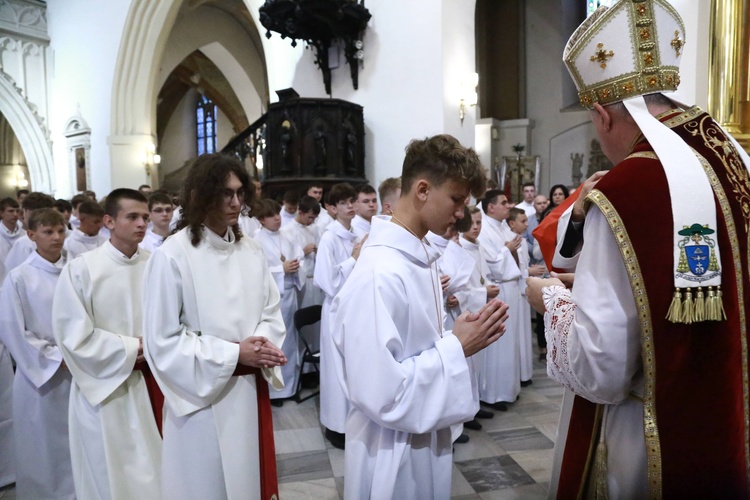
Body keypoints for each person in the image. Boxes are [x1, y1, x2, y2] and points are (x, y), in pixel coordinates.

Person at [525, 1, 750, 497]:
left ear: (603, 113)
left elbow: (601, 366)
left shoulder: (628, 191)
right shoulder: (734, 158)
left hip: (651, 434)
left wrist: (553, 300)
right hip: (732, 412)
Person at [331, 135, 509, 499]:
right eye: (457, 200)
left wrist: (455, 340)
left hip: (421, 434)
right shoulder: (380, 272)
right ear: (423, 189)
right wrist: (457, 347)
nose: (461, 214)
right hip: (389, 451)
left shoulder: (418, 254)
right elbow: (382, 393)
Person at [142, 153, 286, 500]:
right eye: (225, 193)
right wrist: (235, 354)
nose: (235, 202)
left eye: (240, 193)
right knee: (205, 487)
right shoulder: (172, 255)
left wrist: (263, 343)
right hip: (201, 397)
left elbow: (271, 310)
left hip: (249, 391)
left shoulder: (250, 250)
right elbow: (161, 340)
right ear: (199, 196)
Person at [52, 188, 161, 499]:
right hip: (104, 387)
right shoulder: (83, 268)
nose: (142, 223)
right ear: (109, 221)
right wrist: (133, 349)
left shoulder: (156, 264)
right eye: (133, 217)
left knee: (157, 473)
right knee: (109, 475)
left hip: (154, 383)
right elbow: (73, 336)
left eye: (145, 216)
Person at [0, 208, 74, 499]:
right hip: (41, 376)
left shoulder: (78, 270)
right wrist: (55, 358)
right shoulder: (19, 277)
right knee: (44, 444)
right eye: (48, 232)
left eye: (60, 230)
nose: (56, 238)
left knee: (76, 441)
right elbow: (13, 329)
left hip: (80, 368)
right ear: (31, 235)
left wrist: (82, 353)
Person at [313, 182, 363, 449]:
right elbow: (326, 281)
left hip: (353, 309)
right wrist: (353, 259)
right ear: (331, 209)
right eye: (344, 203)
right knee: (335, 371)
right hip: (335, 310)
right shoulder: (329, 238)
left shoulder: (353, 233)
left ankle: (352, 423)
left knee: (351, 368)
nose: (350, 206)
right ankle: (336, 426)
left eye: (352, 201)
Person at [254, 199, 304, 405]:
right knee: (275, 342)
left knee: (291, 342)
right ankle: (275, 392)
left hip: (289, 294)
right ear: (261, 220)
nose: (277, 218)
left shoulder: (288, 235)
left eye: (277, 214)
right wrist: (281, 271)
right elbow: (256, 273)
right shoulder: (255, 241)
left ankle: (291, 387)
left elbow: (298, 255)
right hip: (271, 301)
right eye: (271, 215)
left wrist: (296, 265)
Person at [477, 189, 523, 410]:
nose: (508, 206)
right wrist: (507, 250)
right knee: (498, 343)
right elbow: (491, 264)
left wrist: (510, 251)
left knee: (510, 341)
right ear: (490, 207)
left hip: (510, 287)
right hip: (499, 289)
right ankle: (494, 394)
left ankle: (509, 389)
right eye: (504, 203)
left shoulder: (503, 226)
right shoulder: (483, 228)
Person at [507, 208, 544, 385]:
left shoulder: (520, 240)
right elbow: (510, 267)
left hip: (522, 288)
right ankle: (519, 373)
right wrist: (528, 271)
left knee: (524, 332)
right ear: (512, 223)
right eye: (523, 221)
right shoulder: (509, 239)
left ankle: (524, 373)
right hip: (514, 288)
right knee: (517, 333)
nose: (527, 224)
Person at [280, 195, 322, 308]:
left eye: (314, 218)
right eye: (310, 217)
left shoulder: (316, 229)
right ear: (300, 212)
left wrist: (319, 251)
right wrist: (302, 252)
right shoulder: (286, 231)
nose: (312, 221)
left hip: (315, 280)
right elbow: (286, 259)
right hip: (300, 283)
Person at [5, 192, 55, 274]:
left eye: (23, 212)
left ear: (28, 212)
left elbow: (12, 273)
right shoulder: (60, 237)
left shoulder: (24, 243)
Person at [0, 198, 22, 267]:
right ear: (1, 213)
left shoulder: (25, 234)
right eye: (11, 211)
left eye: (17, 211)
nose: (15, 214)